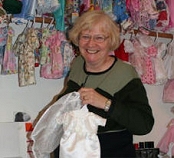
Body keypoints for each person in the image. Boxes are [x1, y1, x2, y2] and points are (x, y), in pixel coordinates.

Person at [32, 10, 154, 158]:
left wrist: (105, 103)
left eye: (99, 38)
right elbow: (68, 102)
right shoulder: (78, 64)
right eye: (85, 37)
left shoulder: (125, 74)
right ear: (78, 39)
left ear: (111, 41)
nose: (91, 44)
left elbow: (144, 125)